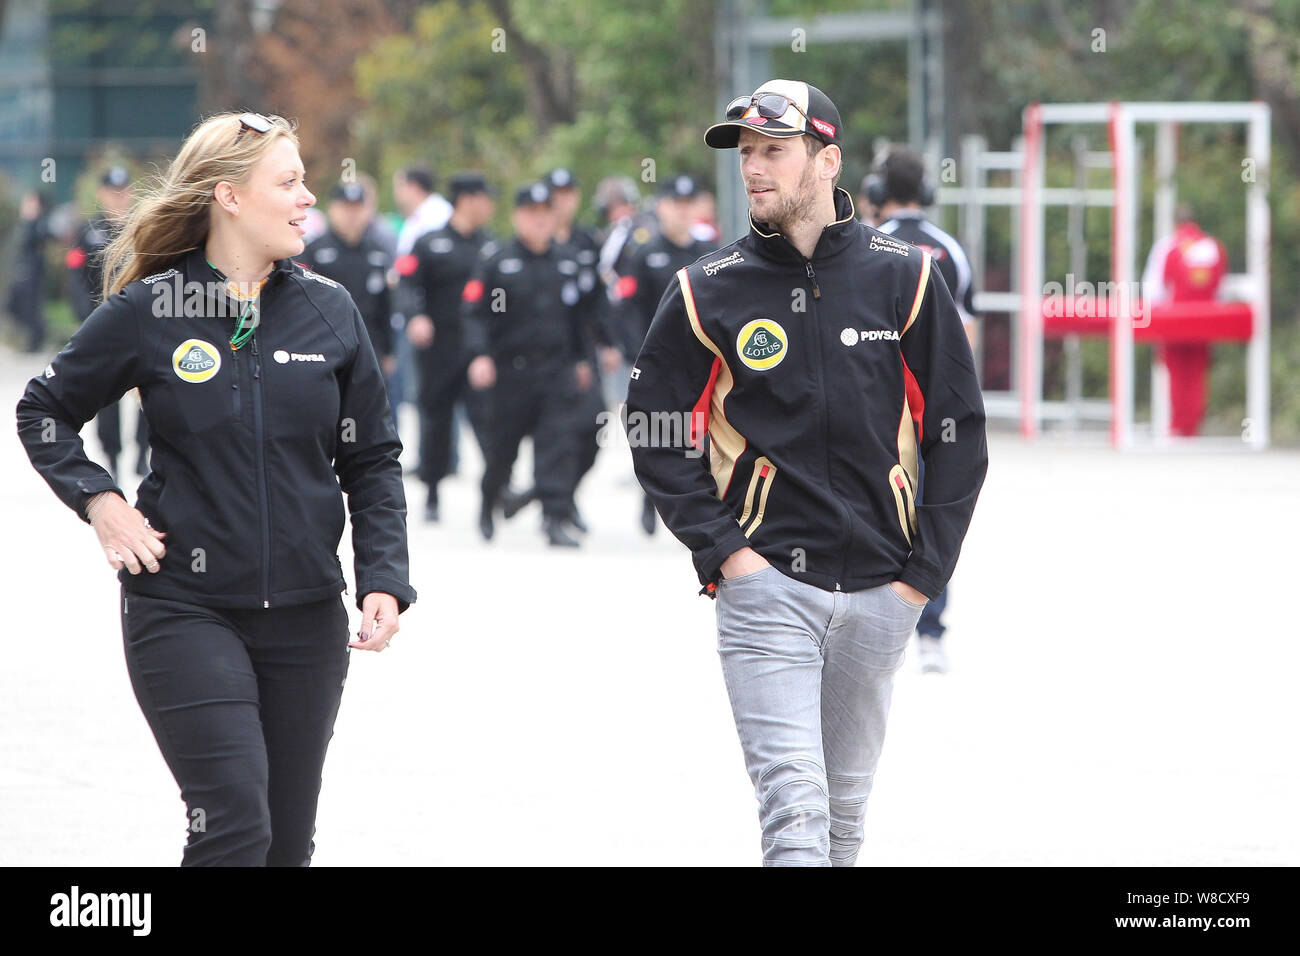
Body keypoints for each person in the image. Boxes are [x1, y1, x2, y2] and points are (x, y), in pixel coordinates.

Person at [16, 111, 417, 866]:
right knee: (236, 826)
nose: (309, 200)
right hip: (184, 609)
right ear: (228, 196)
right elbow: (43, 408)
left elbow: (373, 459)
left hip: (305, 619)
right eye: (289, 182)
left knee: (285, 847)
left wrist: (384, 578)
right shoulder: (152, 308)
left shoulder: (331, 309)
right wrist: (101, 502)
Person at [625, 80, 987, 865]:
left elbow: (959, 434)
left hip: (881, 591)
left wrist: (920, 580)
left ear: (827, 160)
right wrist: (727, 555)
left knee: (845, 818)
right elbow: (654, 431)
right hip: (765, 591)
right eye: (746, 153)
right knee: (795, 812)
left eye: (773, 151)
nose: (754, 168)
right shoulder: (702, 290)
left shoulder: (907, 278)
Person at [867, 147, 980, 674]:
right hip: (933, 412)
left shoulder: (867, 246)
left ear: (873, 193)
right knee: (934, 514)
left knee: (874, 509)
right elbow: (967, 335)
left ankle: (870, 624)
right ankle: (930, 631)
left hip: (877, 413)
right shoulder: (949, 251)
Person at [462, 181, 592, 547]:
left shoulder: (567, 261)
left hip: (556, 370)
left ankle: (554, 517)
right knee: (503, 449)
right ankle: (490, 499)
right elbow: (474, 313)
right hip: (510, 372)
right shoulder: (496, 260)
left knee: (558, 443)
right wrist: (480, 355)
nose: (539, 221)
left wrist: (583, 360)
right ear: (517, 216)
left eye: (545, 213)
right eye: (531, 214)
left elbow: (578, 317)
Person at [615, 174, 715, 534]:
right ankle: (649, 499)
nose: (682, 212)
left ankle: (695, 509)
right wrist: (634, 355)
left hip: (699, 361)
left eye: (689, 204)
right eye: (676, 204)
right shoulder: (644, 252)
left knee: (696, 439)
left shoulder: (706, 253)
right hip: (656, 361)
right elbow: (626, 308)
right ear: (662, 207)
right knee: (656, 434)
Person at [395, 172, 497, 522]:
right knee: (436, 419)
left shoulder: (490, 246)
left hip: (476, 350)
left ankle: (497, 486)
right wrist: (416, 316)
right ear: (467, 200)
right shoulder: (428, 242)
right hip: (438, 347)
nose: (491, 207)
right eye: (485, 198)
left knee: (487, 417)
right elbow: (405, 285)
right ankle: (434, 491)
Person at [66, 165, 152, 482]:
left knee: (151, 389)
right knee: (108, 397)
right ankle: (113, 459)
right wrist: (84, 317)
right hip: (102, 325)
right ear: (102, 194)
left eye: (123, 191)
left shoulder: (141, 228)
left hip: (140, 323)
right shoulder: (89, 231)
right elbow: (76, 276)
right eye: (112, 192)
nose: (118, 198)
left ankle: (143, 453)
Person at [301, 180, 397, 426]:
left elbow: (386, 305)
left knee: (370, 412)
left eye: (358, 208)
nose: (352, 215)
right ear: (333, 209)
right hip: (324, 342)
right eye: (346, 208)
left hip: (369, 341)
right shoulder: (314, 251)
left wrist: (390, 350)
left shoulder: (377, 253)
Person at [1140, 203, 1227, 437]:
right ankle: (1193, 424)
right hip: (1206, 318)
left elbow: (1155, 288)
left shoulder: (1169, 246)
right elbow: (1220, 286)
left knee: (1176, 372)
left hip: (1176, 319)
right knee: (1198, 371)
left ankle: (1179, 424)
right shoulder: (1212, 246)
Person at [7, 190, 49, 354]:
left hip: (33, 272)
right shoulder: (22, 224)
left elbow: (38, 242)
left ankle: (34, 341)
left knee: (32, 307)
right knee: (14, 305)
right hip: (20, 270)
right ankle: (27, 337)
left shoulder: (39, 224)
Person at [393, 164, 452, 255]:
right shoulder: (417, 215)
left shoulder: (438, 213)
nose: (396, 192)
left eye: (400, 186)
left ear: (414, 186)